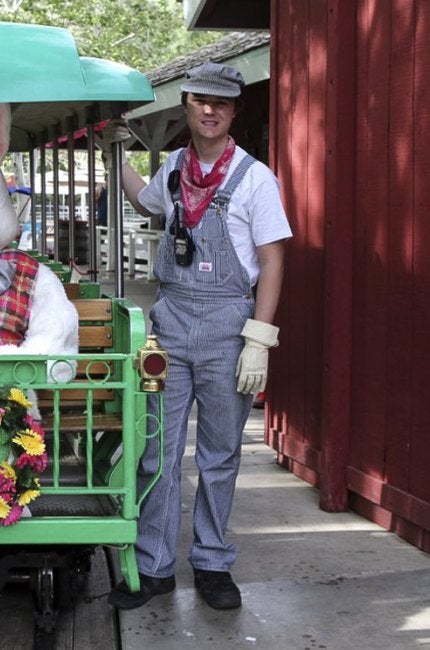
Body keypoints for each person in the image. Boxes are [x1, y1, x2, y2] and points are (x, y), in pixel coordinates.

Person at [104, 63, 292, 611]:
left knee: (219, 453)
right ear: (186, 105)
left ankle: (211, 561)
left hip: (228, 327)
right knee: (156, 452)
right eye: (201, 100)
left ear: (234, 112)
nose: (210, 110)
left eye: (222, 103)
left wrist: (259, 336)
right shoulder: (173, 171)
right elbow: (145, 203)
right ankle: (154, 564)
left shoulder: (255, 178)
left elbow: (273, 258)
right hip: (170, 324)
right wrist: (116, 156)